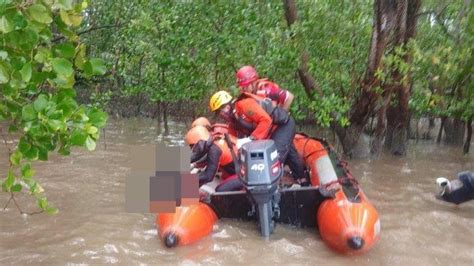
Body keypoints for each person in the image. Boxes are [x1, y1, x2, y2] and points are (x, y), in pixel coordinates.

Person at [209, 90, 307, 185]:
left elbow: (266, 120)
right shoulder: (233, 122)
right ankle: (303, 180)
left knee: (274, 156)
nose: (220, 116)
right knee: (290, 153)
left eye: (219, 112)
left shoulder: (244, 105)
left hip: (282, 126)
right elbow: (234, 143)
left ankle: (275, 185)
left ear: (226, 107)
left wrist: (251, 139)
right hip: (270, 130)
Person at [185, 125, 243, 192]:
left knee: (220, 190)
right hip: (234, 169)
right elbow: (198, 157)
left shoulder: (214, 149)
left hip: (241, 175)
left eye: (192, 146)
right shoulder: (212, 141)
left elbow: (208, 176)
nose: (193, 149)